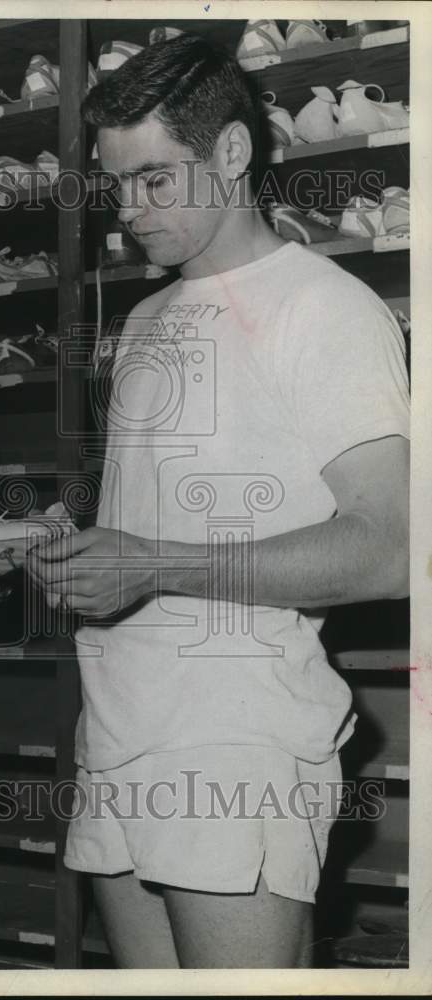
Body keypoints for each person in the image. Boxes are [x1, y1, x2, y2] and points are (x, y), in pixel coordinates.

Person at [28, 34, 409, 968]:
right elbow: (150, 519)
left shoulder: (324, 309)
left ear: (232, 153)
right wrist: (49, 535)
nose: (129, 212)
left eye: (156, 180)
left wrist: (153, 564)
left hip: (234, 738)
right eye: (117, 185)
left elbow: (389, 548)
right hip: (118, 721)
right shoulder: (145, 319)